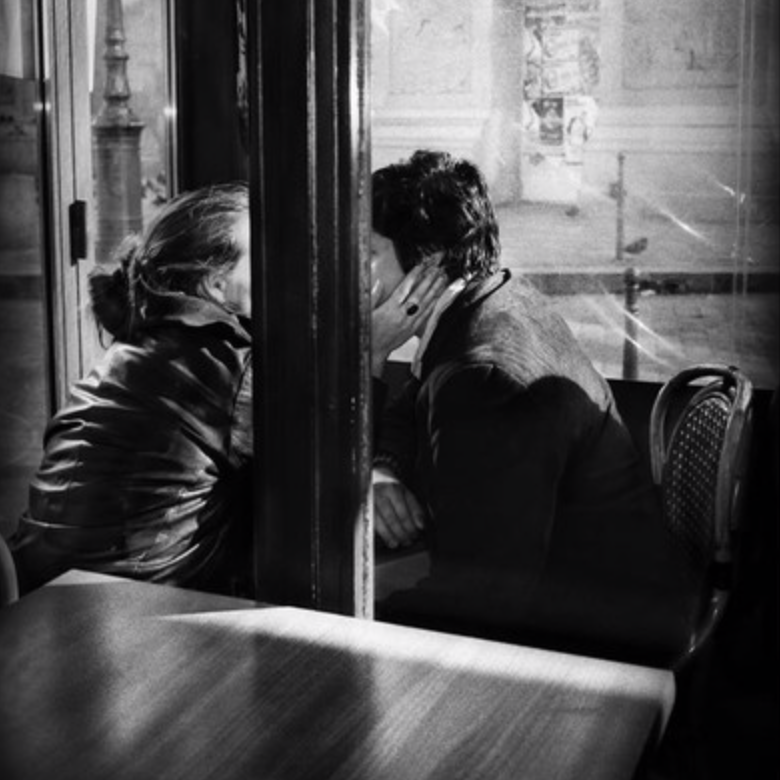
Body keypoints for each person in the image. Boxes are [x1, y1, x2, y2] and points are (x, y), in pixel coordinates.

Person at [369, 150, 694, 667]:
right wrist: (384, 468)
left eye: (368, 252)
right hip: (597, 593)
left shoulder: (482, 377)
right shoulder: (495, 299)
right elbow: (413, 403)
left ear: (426, 267)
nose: (352, 271)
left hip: (597, 640)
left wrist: (357, 622)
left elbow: (480, 598)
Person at [9, 182, 254, 597]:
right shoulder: (225, 362)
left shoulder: (134, 349)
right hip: (127, 613)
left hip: (36, 600)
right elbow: (324, 471)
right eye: (262, 259)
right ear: (216, 284)